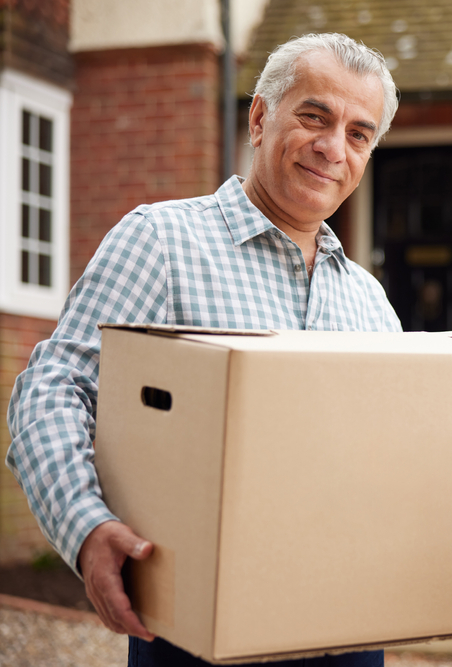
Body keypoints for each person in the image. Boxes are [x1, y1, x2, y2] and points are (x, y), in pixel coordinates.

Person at [7, 33, 401, 667]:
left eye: (359, 134)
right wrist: (85, 527)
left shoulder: (371, 304)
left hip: (347, 630)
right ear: (258, 118)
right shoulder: (160, 242)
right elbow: (54, 388)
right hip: (196, 629)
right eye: (314, 117)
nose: (334, 148)